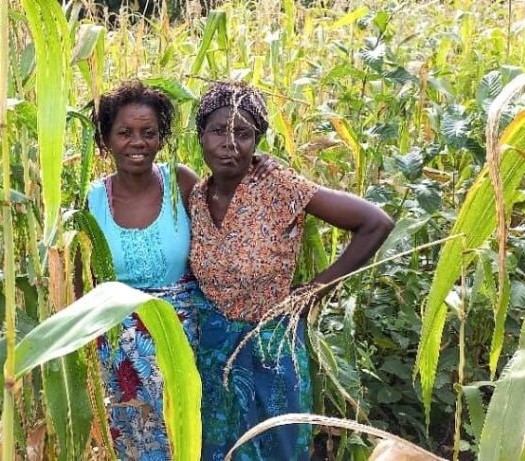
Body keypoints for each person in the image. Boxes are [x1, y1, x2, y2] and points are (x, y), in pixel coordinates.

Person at [188, 81, 394, 460]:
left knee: (274, 447)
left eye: (243, 133)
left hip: (270, 346)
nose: (229, 143)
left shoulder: (279, 186)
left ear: (257, 142)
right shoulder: (195, 196)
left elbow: (375, 222)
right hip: (213, 351)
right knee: (215, 447)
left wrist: (313, 290)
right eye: (218, 131)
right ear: (201, 137)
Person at [85, 79, 276, 460]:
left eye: (148, 133)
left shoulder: (181, 182)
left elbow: (230, 213)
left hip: (186, 339)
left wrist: (258, 169)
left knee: (188, 433)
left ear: (161, 138)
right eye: (124, 133)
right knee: (133, 437)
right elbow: (85, 279)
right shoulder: (92, 200)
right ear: (107, 140)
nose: (137, 142)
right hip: (119, 349)